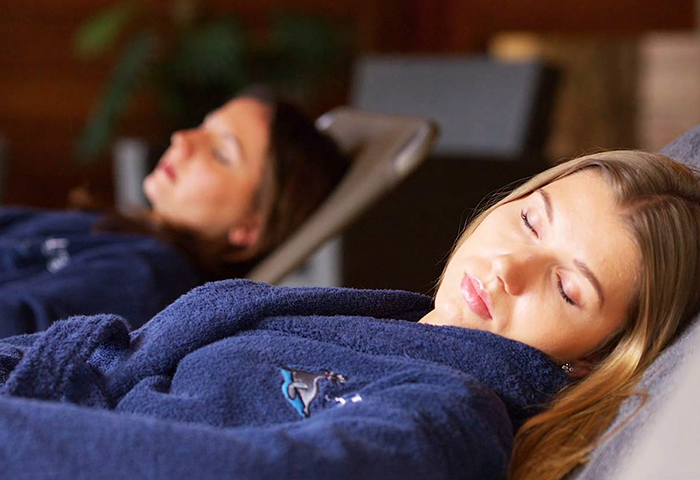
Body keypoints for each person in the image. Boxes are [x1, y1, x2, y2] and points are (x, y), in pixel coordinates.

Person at [0, 150, 698, 480]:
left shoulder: (445, 420)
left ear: (592, 360)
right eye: (530, 220)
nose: (509, 269)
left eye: (568, 290)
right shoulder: (388, 324)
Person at [0, 88, 348, 337]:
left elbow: (22, 330)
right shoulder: (116, 229)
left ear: (250, 227)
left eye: (220, 153)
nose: (183, 139)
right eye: (204, 127)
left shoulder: (148, 276)